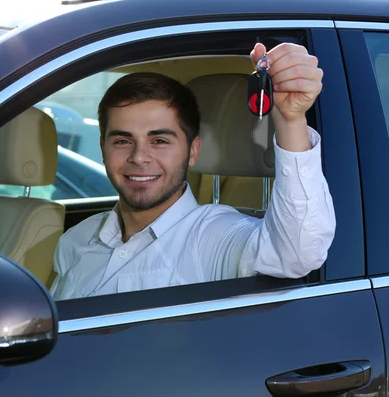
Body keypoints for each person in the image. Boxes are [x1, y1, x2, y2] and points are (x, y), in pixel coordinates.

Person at [50, 42, 336, 300]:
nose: (139, 157)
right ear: (103, 148)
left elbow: (296, 254)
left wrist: (289, 120)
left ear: (193, 151)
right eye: (123, 141)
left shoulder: (211, 235)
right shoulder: (75, 240)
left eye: (159, 140)